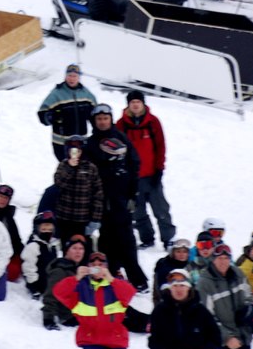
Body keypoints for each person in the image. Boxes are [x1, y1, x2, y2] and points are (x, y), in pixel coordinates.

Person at [84, 105, 147, 290]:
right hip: (101, 201)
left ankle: (137, 278)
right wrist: (106, 166)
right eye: (99, 119)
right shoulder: (90, 144)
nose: (102, 122)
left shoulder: (121, 138)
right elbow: (88, 171)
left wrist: (133, 193)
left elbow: (134, 163)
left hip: (121, 199)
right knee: (106, 239)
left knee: (126, 238)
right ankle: (110, 273)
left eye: (105, 118)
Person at [53, 250, 136, 349]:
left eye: (101, 265)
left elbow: (130, 292)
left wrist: (111, 279)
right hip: (91, 340)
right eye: (93, 265)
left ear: (106, 267)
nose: (97, 267)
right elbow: (58, 292)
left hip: (115, 339)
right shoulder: (80, 286)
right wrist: (76, 278)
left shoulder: (115, 285)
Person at [116, 91, 175, 250]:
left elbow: (160, 146)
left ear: (143, 104)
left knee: (161, 209)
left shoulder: (153, 122)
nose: (135, 105)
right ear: (128, 104)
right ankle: (147, 238)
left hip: (151, 175)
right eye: (132, 102)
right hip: (132, 178)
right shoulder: (121, 125)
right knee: (137, 211)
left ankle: (168, 238)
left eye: (138, 102)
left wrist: (159, 169)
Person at [37, 64, 98, 161]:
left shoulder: (86, 94)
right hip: (62, 143)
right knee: (67, 171)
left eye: (74, 76)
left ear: (79, 77)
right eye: (69, 75)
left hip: (81, 141)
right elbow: (42, 114)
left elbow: (96, 115)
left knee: (82, 170)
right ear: (65, 76)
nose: (71, 79)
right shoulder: (57, 94)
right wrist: (54, 117)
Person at [53, 137, 104, 247]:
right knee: (67, 248)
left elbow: (98, 194)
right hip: (64, 217)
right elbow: (59, 184)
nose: (75, 154)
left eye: (78, 151)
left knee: (81, 248)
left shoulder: (91, 168)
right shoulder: (63, 166)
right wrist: (70, 168)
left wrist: (95, 219)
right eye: (72, 150)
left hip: (82, 219)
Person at [42, 235, 88, 330]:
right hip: (69, 316)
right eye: (74, 248)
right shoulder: (59, 270)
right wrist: (48, 319)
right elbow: (50, 295)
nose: (78, 252)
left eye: (81, 248)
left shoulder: (76, 268)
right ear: (67, 251)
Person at [21, 210, 59, 301]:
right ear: (37, 229)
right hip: (39, 282)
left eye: (50, 230)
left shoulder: (53, 244)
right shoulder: (34, 246)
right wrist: (33, 285)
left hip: (50, 279)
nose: (47, 232)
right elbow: (28, 267)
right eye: (44, 230)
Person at [0, 184, 24, 280]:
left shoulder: (8, 217)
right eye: (0, 196)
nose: (3, 200)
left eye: (6, 198)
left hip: (6, 253)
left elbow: (16, 240)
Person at [153, 239, 193, 305]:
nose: (181, 254)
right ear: (173, 253)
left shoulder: (190, 266)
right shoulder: (164, 268)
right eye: (178, 251)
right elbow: (161, 292)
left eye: (184, 252)